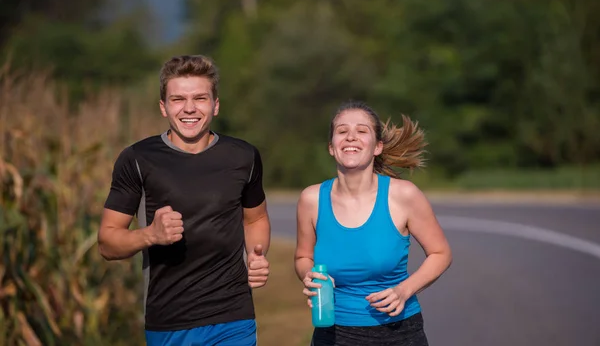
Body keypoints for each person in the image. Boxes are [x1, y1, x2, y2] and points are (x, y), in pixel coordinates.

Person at [98, 55, 271, 346]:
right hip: (169, 320)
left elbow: (256, 218)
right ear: (163, 107)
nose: (189, 108)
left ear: (215, 105)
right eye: (178, 99)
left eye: (200, 98)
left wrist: (257, 255)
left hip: (233, 316)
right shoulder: (138, 159)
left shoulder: (243, 156)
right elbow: (107, 242)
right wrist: (150, 235)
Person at [294, 100, 452, 346]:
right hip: (333, 333)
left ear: (377, 146)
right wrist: (309, 275)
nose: (351, 137)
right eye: (342, 131)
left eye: (362, 131)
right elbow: (303, 257)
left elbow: (441, 253)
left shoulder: (404, 196)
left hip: (398, 332)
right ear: (331, 147)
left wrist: (404, 290)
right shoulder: (311, 199)